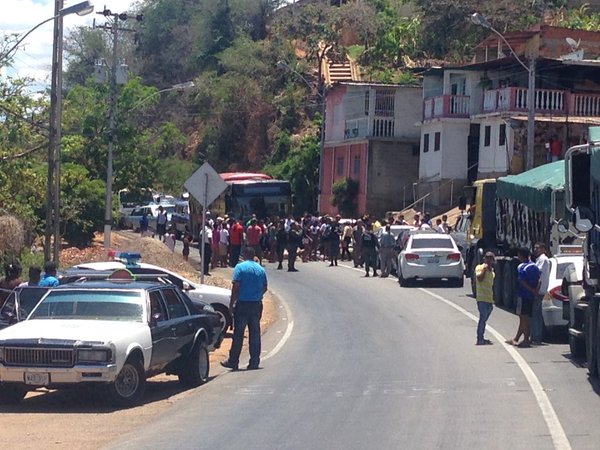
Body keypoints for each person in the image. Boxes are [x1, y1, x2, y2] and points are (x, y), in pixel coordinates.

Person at [221, 247, 267, 371]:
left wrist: (231, 304)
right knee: (255, 334)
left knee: (238, 334)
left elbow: (236, 286)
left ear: (245, 255)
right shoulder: (260, 269)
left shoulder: (240, 268)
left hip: (243, 304)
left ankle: (233, 361)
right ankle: (254, 361)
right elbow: (265, 287)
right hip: (256, 304)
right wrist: (257, 295)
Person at [508, 247, 540, 348]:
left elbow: (521, 281)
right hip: (530, 296)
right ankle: (517, 338)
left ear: (521, 256)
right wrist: (535, 291)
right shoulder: (535, 266)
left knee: (524, 319)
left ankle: (526, 340)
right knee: (525, 318)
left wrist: (530, 289)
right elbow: (539, 280)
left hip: (523, 295)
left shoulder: (522, 267)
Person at [475, 252, 496, 345]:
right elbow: (479, 278)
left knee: (484, 319)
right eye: (487, 258)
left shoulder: (492, 272)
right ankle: (480, 338)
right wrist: (484, 269)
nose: (489, 260)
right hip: (481, 298)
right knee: (482, 318)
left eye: (491, 258)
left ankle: (481, 337)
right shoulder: (479, 267)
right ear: (484, 259)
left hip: (489, 299)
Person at [532, 242, 550, 345]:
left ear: (543, 249)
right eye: (535, 248)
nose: (535, 249)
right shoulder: (539, 259)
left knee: (536, 315)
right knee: (536, 314)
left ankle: (537, 338)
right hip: (538, 290)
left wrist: (536, 289)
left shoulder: (543, 259)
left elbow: (538, 275)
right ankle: (535, 336)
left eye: (537, 248)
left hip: (539, 290)